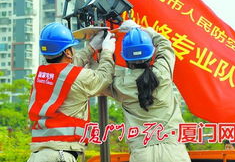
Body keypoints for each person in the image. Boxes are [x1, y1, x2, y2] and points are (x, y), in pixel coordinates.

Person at [103, 20, 191, 162]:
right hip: (174, 151)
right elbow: (164, 44)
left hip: (142, 153)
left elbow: (100, 76)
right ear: (151, 54)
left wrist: (106, 51)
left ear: (125, 58)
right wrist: (141, 29)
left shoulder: (120, 85)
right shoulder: (163, 72)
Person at [27, 22, 116, 162]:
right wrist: (107, 51)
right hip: (60, 155)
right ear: (67, 52)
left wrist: (91, 48)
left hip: (38, 155)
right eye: (72, 48)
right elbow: (104, 77)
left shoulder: (41, 76)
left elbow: (68, 71)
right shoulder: (75, 77)